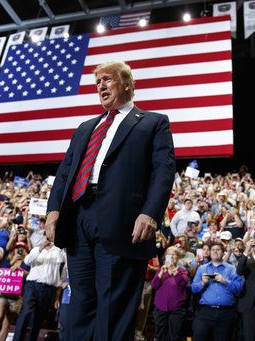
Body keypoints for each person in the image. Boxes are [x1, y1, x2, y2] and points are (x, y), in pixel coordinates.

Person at [45, 60, 176, 341]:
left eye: (108, 80)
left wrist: (150, 213)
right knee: (80, 303)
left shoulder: (153, 122)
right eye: (98, 83)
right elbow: (65, 172)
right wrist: (54, 210)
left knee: (113, 308)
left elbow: (163, 172)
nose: (101, 86)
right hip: (78, 219)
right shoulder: (85, 127)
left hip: (123, 221)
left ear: (128, 84)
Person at [13, 236, 65, 341]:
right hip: (33, 285)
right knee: (26, 311)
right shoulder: (36, 249)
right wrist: (41, 248)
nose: (48, 240)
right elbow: (27, 261)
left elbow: (61, 260)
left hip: (49, 288)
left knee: (39, 318)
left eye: (51, 238)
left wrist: (57, 245)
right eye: (46, 238)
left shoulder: (59, 251)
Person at [191, 242, 244, 341]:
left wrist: (225, 281)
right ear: (210, 253)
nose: (215, 251)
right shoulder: (202, 269)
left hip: (226, 313)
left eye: (218, 249)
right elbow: (193, 289)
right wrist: (202, 283)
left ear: (223, 252)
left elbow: (239, 289)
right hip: (205, 312)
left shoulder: (232, 269)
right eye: (213, 250)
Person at [150, 246, 188, 341]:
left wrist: (174, 272)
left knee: (174, 335)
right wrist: (161, 272)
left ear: (178, 256)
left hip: (177, 310)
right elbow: (154, 285)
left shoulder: (182, 271)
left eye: (173, 254)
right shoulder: (161, 270)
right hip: (160, 308)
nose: (171, 256)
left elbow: (184, 283)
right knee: (159, 335)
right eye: (168, 254)